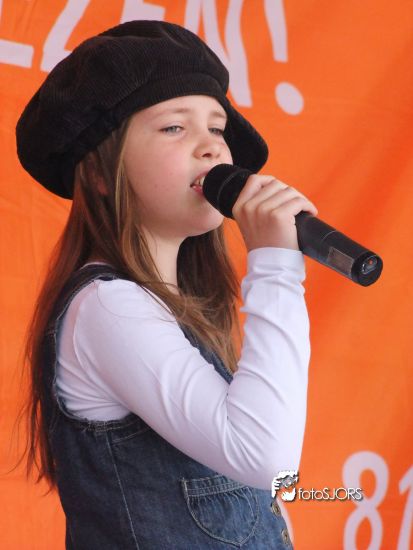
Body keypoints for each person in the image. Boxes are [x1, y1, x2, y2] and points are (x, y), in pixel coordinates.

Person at [15, 20, 317, 549]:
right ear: (100, 174)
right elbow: (266, 456)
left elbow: (255, 494)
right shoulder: (108, 307)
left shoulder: (168, 310)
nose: (212, 148)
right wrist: (275, 266)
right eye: (175, 127)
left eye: (217, 128)